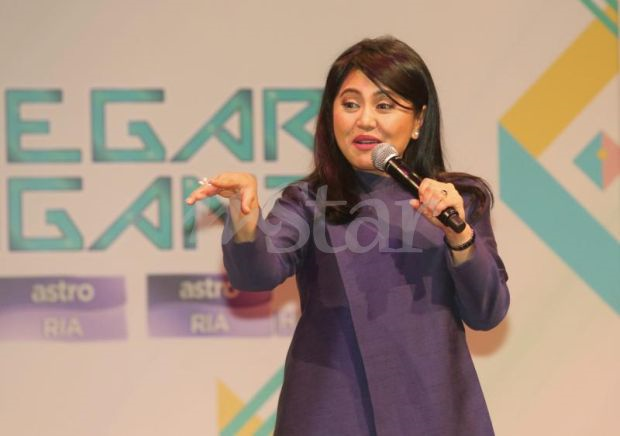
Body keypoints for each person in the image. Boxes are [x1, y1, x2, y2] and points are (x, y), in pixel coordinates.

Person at [186, 36, 509, 436]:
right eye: (350, 104)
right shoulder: (309, 201)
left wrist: (459, 237)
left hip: (434, 412)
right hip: (331, 413)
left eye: (384, 105)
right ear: (331, 115)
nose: (365, 120)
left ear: (419, 120)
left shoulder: (459, 199)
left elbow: (487, 312)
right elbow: (256, 274)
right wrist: (243, 213)